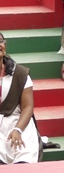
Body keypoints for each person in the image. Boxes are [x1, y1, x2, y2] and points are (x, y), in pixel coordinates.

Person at [0, 33, 40, 164]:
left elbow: (28, 107)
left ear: (4, 46)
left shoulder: (20, 73)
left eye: (0, 41)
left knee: (24, 155)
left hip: (17, 121)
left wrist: (17, 129)